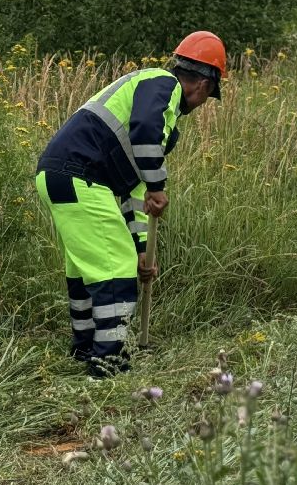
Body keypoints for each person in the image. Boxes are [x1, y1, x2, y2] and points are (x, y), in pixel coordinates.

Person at [35, 32, 226, 377]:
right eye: (210, 95)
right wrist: (158, 185)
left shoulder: (160, 119)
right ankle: (108, 366)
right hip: (81, 175)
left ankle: (85, 348)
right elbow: (143, 132)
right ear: (203, 85)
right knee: (114, 268)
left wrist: (142, 250)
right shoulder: (161, 83)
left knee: (87, 267)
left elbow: (133, 195)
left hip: (61, 176)